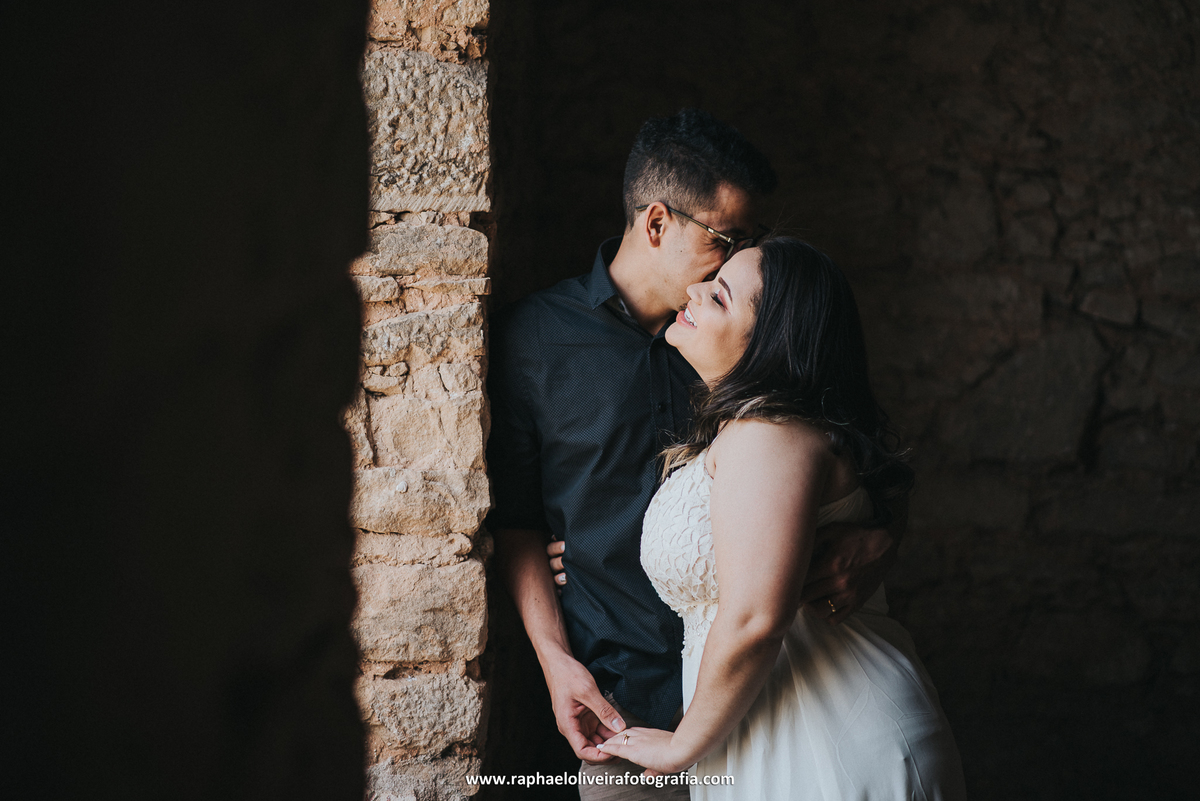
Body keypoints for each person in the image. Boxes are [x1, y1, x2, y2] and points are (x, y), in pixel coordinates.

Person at [487, 110, 907, 800]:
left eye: (754, 238)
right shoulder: (534, 341)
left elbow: (851, 449)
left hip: (776, 695)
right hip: (623, 705)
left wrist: (885, 534)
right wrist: (556, 661)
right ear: (657, 225)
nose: (744, 255)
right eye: (730, 236)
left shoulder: (754, 337)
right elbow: (518, 520)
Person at [595, 238, 966, 799]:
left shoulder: (769, 434)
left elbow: (754, 617)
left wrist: (679, 747)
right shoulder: (745, 431)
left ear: (769, 343)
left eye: (719, 297)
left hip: (829, 731)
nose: (693, 290)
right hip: (767, 724)